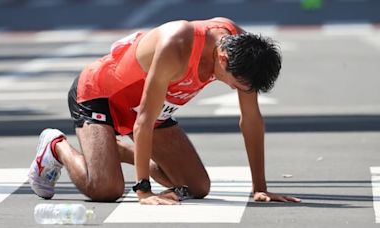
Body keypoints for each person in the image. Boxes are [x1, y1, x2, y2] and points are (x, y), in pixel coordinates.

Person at [28, 17, 301, 205]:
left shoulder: (245, 52)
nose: (235, 90)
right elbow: (143, 120)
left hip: (151, 109)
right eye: (235, 84)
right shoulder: (177, 45)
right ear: (223, 58)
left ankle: (114, 151)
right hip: (100, 96)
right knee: (106, 189)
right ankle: (56, 146)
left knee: (197, 188)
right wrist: (143, 191)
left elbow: (251, 120)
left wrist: (260, 188)